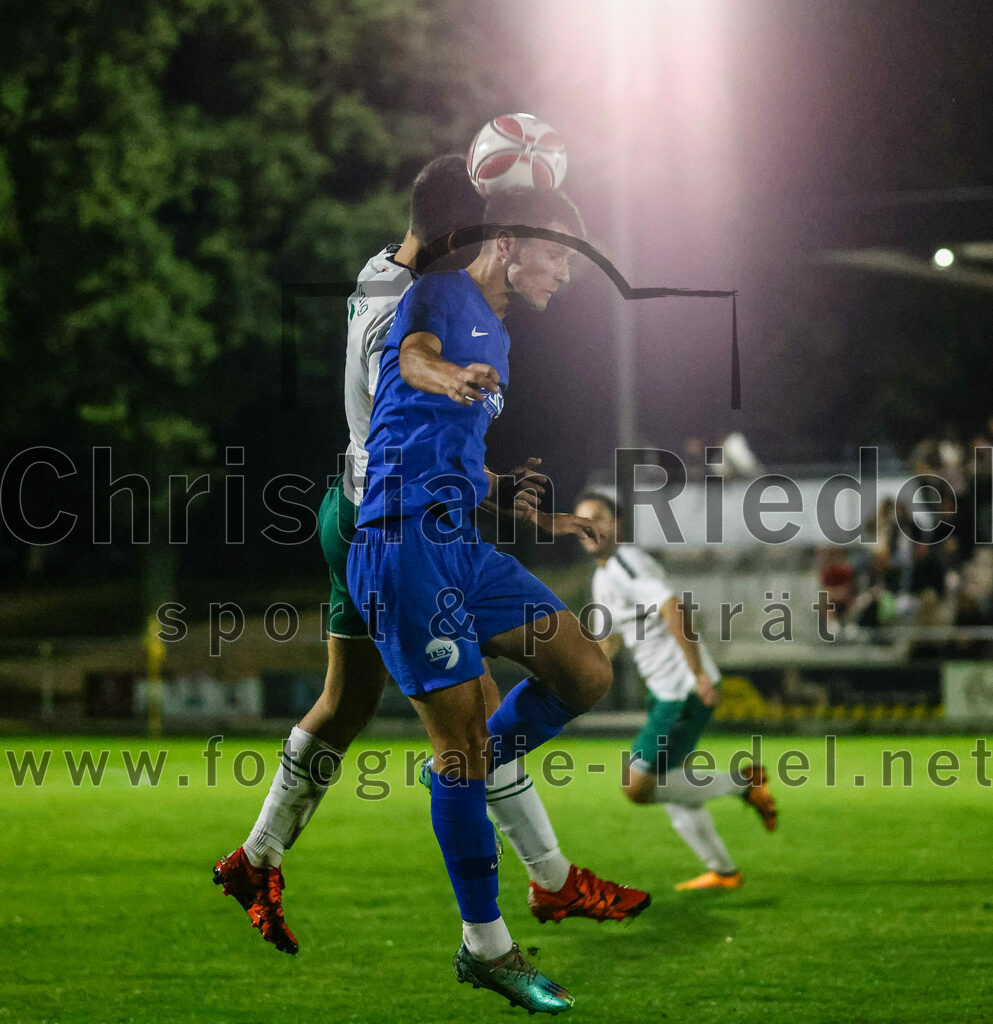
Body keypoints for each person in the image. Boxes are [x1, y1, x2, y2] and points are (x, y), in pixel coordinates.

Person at [212, 157, 648, 963]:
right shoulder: (412, 314)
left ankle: (258, 857)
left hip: (359, 507)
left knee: (346, 707)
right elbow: (410, 406)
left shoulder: (381, 271)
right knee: (468, 726)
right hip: (389, 519)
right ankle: (535, 891)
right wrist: (450, 381)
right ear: (459, 241)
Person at [346, 188, 649, 1015]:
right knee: (462, 748)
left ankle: (482, 762)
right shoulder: (442, 292)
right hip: (402, 543)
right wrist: (446, 374)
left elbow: (453, 450)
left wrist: (526, 503)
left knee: (584, 672)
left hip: (461, 545)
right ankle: (487, 947)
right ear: (509, 243)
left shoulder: (504, 337)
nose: (565, 273)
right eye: (557, 255)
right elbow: (412, 359)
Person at [572, 491, 778, 891]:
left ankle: (744, 783)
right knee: (674, 783)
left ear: (619, 524)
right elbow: (610, 640)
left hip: (681, 688)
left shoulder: (626, 562)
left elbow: (673, 608)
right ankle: (723, 871)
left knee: (637, 786)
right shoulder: (603, 575)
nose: (589, 527)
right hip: (665, 690)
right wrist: (578, 676)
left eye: (598, 517)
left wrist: (698, 673)